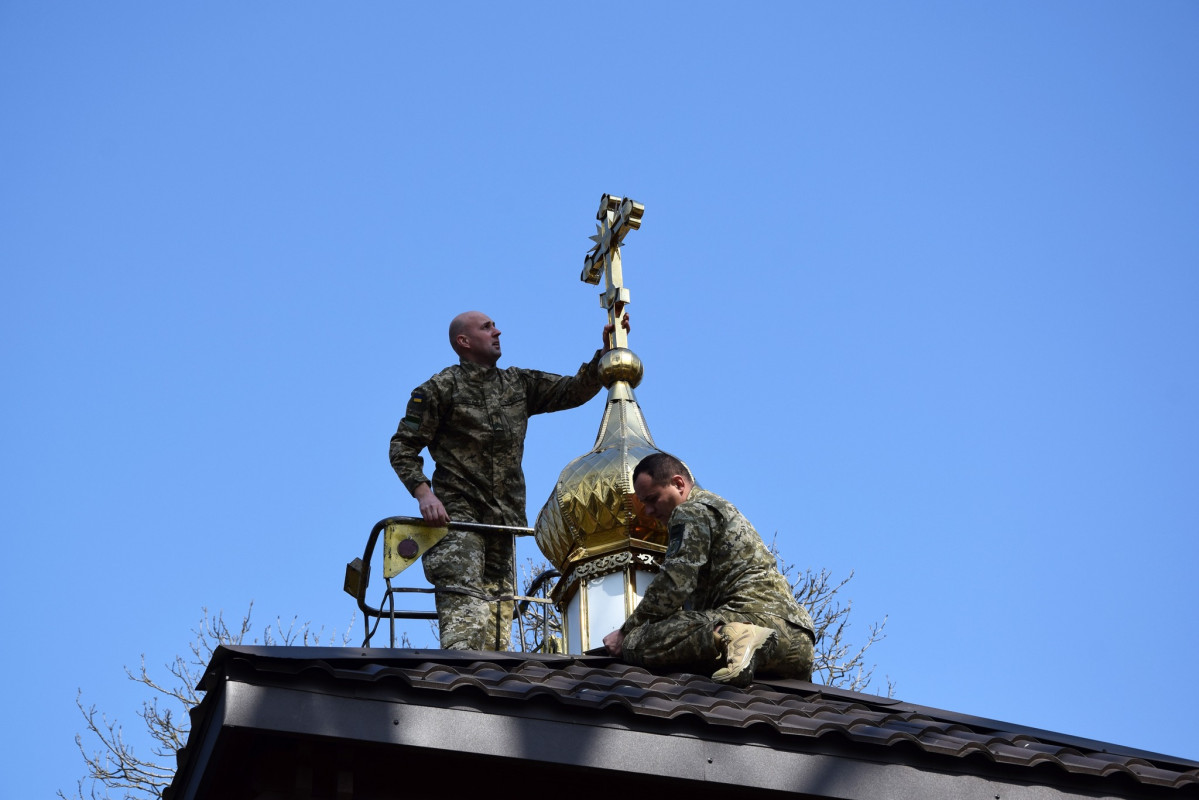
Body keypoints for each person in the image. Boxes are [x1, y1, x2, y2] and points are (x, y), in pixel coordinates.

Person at [390, 310, 624, 651]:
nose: (498, 331)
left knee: (499, 636)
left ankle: (493, 693)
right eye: (487, 327)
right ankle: (460, 689)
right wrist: (423, 493)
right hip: (459, 520)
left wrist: (604, 354)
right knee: (466, 628)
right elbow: (402, 447)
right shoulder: (440, 389)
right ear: (464, 341)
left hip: (504, 526)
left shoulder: (517, 384)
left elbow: (572, 390)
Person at [602, 452, 816, 686]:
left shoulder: (691, 510)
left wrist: (626, 632)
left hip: (755, 623)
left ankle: (730, 635)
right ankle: (736, 645)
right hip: (799, 647)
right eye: (644, 504)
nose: (649, 511)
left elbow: (675, 582)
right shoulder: (720, 508)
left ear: (678, 484)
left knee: (638, 642)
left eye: (653, 499)